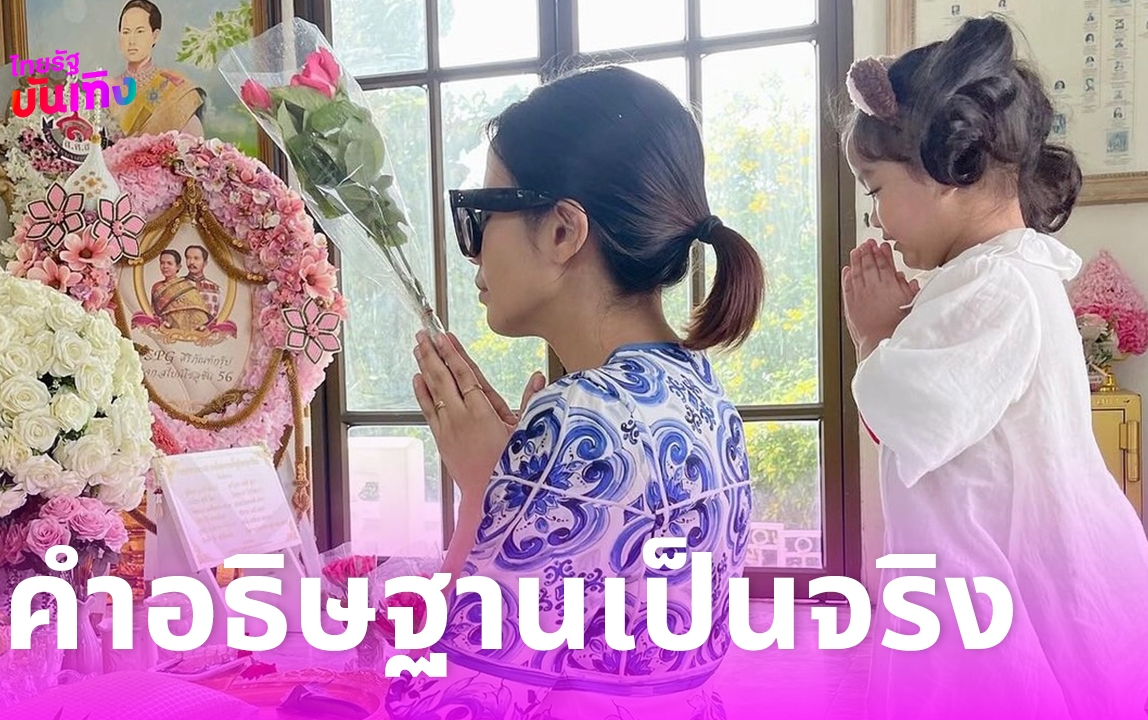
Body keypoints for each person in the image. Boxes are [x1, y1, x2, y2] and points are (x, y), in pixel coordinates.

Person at [400, 66, 764, 719]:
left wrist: (483, 501)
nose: (474, 253)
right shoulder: (704, 395)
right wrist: (517, 486)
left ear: (563, 231)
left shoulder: (578, 416)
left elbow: (453, 702)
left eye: (482, 215)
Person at [841, 17, 1148, 720]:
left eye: (875, 189)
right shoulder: (994, 276)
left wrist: (874, 336)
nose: (876, 219)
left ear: (950, 168)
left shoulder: (994, 286)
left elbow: (902, 419)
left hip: (1000, 582)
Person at [114, 0, 205, 137]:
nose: (131, 40)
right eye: (126, 32)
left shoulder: (175, 88)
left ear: (155, 36)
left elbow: (194, 143)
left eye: (139, 31)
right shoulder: (106, 90)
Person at [150, 249, 210, 331]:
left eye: (169, 263)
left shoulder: (187, 286)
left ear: (178, 267)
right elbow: (154, 312)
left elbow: (199, 312)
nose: (165, 266)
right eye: (162, 263)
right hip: (164, 329)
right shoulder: (156, 287)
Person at [183, 245, 221, 321]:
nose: (191, 262)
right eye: (188, 258)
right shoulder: (177, 284)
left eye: (196, 258)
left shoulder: (216, 289)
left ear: (205, 263)